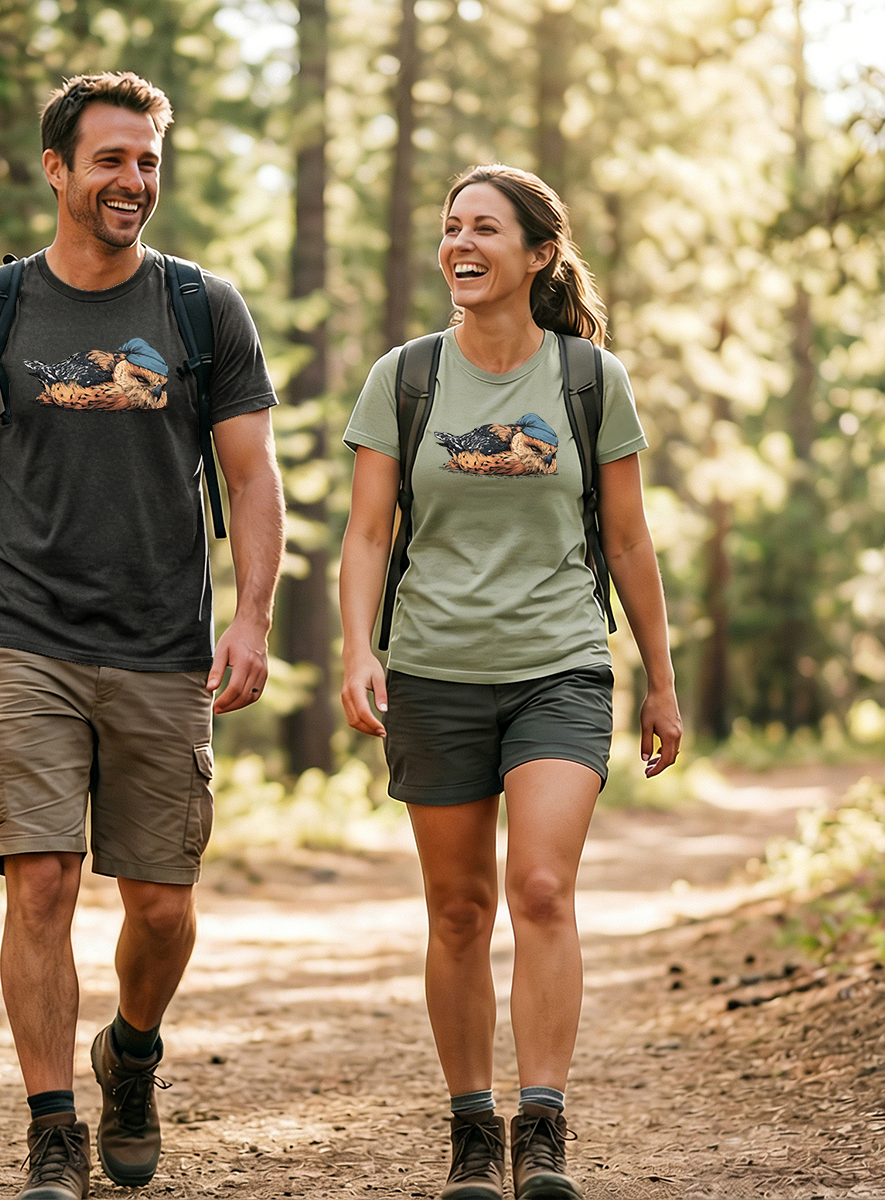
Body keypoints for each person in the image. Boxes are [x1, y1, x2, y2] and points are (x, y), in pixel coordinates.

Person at [0, 72, 285, 1200]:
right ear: (58, 169)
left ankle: (132, 1053)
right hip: (26, 631)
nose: (134, 182)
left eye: (148, 161)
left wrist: (252, 617)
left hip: (166, 643)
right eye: (111, 160)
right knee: (44, 880)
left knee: (161, 907)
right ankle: (52, 1127)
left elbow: (253, 478)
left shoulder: (204, 309)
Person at [339, 164, 681, 1200]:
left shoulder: (588, 378)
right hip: (435, 671)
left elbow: (628, 539)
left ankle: (543, 1126)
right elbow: (365, 535)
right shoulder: (405, 377)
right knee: (456, 909)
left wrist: (661, 681)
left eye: (484, 228)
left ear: (539, 255)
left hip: (560, 666)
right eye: (450, 227)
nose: (460, 244)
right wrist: (359, 649)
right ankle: (471, 1132)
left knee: (540, 888)